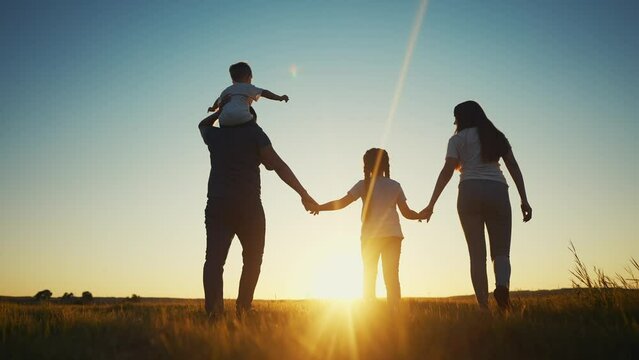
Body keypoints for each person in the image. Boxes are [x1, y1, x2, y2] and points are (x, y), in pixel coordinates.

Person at [199, 105, 316, 319]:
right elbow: (278, 165)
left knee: (214, 260)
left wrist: (221, 110)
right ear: (250, 118)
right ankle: (243, 308)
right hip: (248, 207)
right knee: (253, 258)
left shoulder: (215, 135)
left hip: (218, 205)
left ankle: (214, 313)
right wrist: (303, 193)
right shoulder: (254, 133)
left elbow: (202, 125)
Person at [420, 101, 532, 310]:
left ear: (460, 118)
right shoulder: (497, 136)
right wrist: (524, 199)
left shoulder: (457, 140)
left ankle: (483, 307)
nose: (454, 121)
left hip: (469, 191)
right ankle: (501, 287)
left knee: (476, 254)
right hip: (497, 189)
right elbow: (513, 166)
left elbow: (447, 171)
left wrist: (431, 203)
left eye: (455, 117)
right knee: (501, 251)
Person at [311, 148, 424, 309]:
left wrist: (319, 207)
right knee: (391, 276)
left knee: (369, 275)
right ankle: (395, 312)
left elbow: (341, 203)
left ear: (367, 166)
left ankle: (369, 311)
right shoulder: (395, 185)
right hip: (393, 235)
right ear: (386, 165)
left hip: (370, 237)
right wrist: (420, 215)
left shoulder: (363, 185)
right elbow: (407, 213)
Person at [208, 62, 289, 127]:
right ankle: (264, 145)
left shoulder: (226, 90)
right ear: (249, 77)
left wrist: (213, 108)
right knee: (258, 131)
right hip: (242, 117)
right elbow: (265, 93)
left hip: (224, 121)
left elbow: (218, 100)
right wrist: (279, 97)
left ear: (232, 80)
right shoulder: (247, 87)